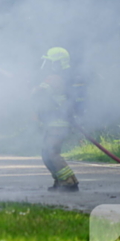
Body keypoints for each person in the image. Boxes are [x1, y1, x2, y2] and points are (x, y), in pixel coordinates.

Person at [32, 47, 80, 192]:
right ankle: (63, 181)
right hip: (53, 122)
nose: (46, 65)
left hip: (58, 123)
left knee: (51, 152)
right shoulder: (60, 77)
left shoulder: (55, 78)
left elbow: (38, 94)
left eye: (49, 61)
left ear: (57, 63)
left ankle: (68, 182)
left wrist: (29, 86)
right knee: (47, 154)